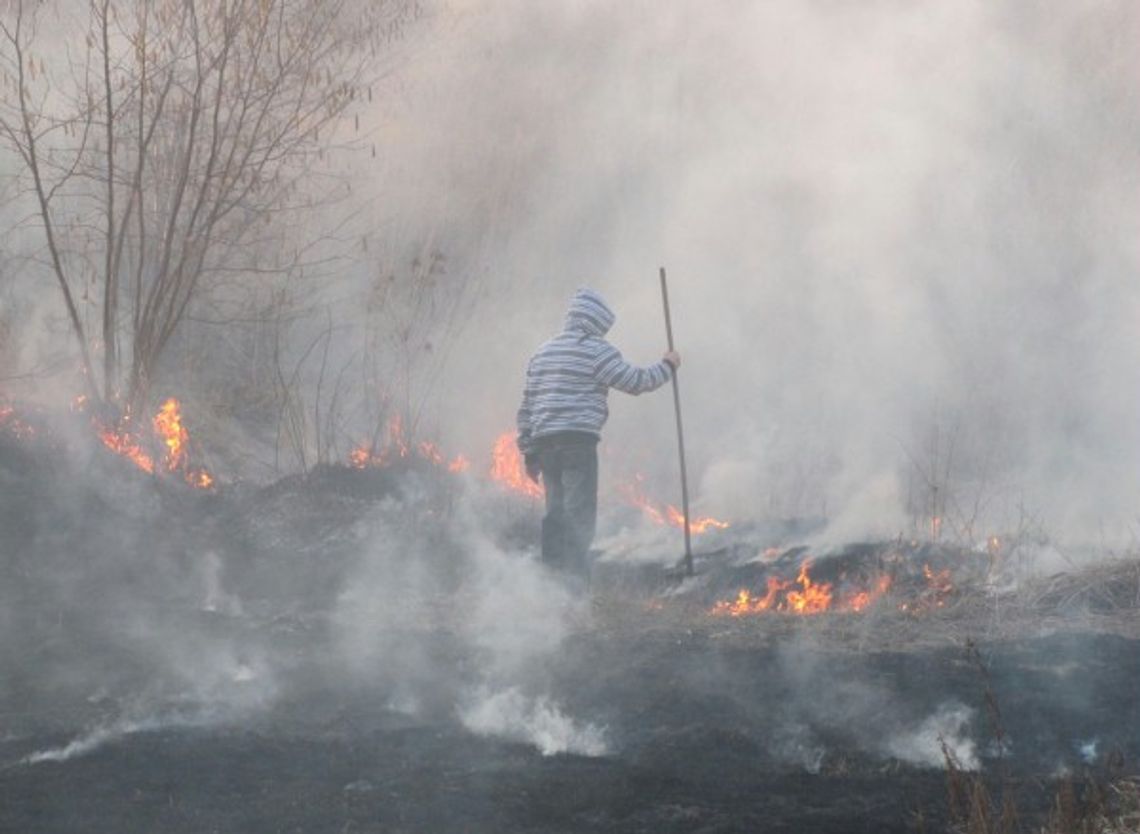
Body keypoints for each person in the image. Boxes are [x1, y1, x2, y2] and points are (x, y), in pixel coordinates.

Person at [516, 287, 681, 588]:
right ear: (596, 323)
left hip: (545, 445)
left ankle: (550, 590)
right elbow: (636, 382)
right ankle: (574, 589)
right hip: (578, 443)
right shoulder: (596, 350)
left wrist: (528, 454)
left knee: (555, 514)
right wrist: (668, 365)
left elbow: (527, 407)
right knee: (578, 517)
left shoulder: (541, 352)